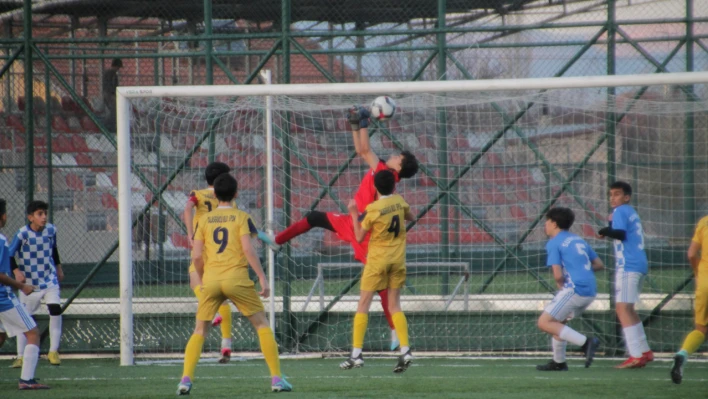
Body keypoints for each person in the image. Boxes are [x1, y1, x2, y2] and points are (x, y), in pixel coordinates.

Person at [272, 106, 419, 351]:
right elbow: (361, 150)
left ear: (399, 167)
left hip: (361, 226)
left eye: (397, 157)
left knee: (380, 287)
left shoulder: (385, 172)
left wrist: (362, 123)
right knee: (316, 217)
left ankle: (385, 337)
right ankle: (277, 240)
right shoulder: (387, 175)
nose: (393, 155)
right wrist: (356, 124)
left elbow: (362, 150)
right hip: (357, 222)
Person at [177, 173, 292, 395]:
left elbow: (198, 256)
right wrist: (262, 277)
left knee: (200, 330)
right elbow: (248, 249)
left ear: (214, 194)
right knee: (261, 325)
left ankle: (185, 380)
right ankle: (277, 379)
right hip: (237, 279)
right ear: (236, 193)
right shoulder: (241, 217)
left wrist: (200, 279)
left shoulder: (203, 221)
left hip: (210, 280)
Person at [339, 170, 415, 373]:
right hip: (398, 260)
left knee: (363, 304)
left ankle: (356, 354)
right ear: (394, 186)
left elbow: (359, 236)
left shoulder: (373, 208)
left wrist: (354, 213)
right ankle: (405, 350)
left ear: (375, 187)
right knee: (394, 305)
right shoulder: (400, 201)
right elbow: (411, 216)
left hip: (378, 261)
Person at [536, 207, 602, 371]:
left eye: (547, 221)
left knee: (544, 322)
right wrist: (580, 271)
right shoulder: (578, 239)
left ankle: (586, 343)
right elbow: (599, 264)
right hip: (590, 289)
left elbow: (558, 276)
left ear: (554, 223)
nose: (545, 225)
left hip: (574, 289)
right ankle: (559, 363)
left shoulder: (554, 243)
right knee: (558, 323)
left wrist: (562, 285)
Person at [182, 161, 235, 363]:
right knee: (222, 297)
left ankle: (212, 314)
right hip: (222, 250)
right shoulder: (229, 199)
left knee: (196, 283)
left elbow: (187, 209)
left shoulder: (198, 194)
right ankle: (226, 344)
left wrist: (189, 233)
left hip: (202, 244)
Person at [597, 181, 653, 368]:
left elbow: (620, 233)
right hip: (638, 263)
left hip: (628, 265)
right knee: (628, 309)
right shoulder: (630, 211)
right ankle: (644, 351)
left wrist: (607, 231)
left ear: (626, 197)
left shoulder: (620, 211)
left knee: (622, 309)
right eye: (611, 194)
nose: (613, 197)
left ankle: (636, 355)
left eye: (617, 194)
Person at [0, 199, 49, 390]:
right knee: (33, 333)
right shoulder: (2, 240)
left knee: (1, 337)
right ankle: (27, 380)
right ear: (3, 216)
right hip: (3, 298)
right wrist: (21, 287)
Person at [10, 200, 64, 367]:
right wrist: (17, 272)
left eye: (45, 214)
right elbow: (10, 255)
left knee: (55, 309)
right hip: (29, 285)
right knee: (25, 318)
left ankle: (53, 351)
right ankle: (20, 356)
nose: (44, 217)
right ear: (30, 217)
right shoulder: (22, 234)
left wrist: (59, 268)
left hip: (49, 280)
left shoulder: (51, 230)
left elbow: (53, 249)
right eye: (40, 214)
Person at [670, 214, 708, 384]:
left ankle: (683, 354)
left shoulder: (704, 222)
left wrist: (697, 273)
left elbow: (692, 254)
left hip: (704, 283)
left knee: (700, 328)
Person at [102, 58, 122, 128]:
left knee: (114, 110)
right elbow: (112, 86)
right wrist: (114, 93)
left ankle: (110, 125)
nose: (118, 69)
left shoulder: (110, 73)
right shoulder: (111, 73)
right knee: (114, 111)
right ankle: (108, 125)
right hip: (109, 94)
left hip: (108, 93)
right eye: (118, 67)